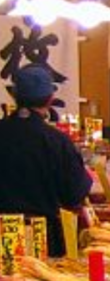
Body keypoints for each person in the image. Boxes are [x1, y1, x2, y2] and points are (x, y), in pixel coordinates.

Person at [0, 65, 91, 257]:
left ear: (14, 96)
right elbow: (74, 194)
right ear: (50, 99)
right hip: (42, 235)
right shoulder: (57, 141)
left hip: (1, 233)